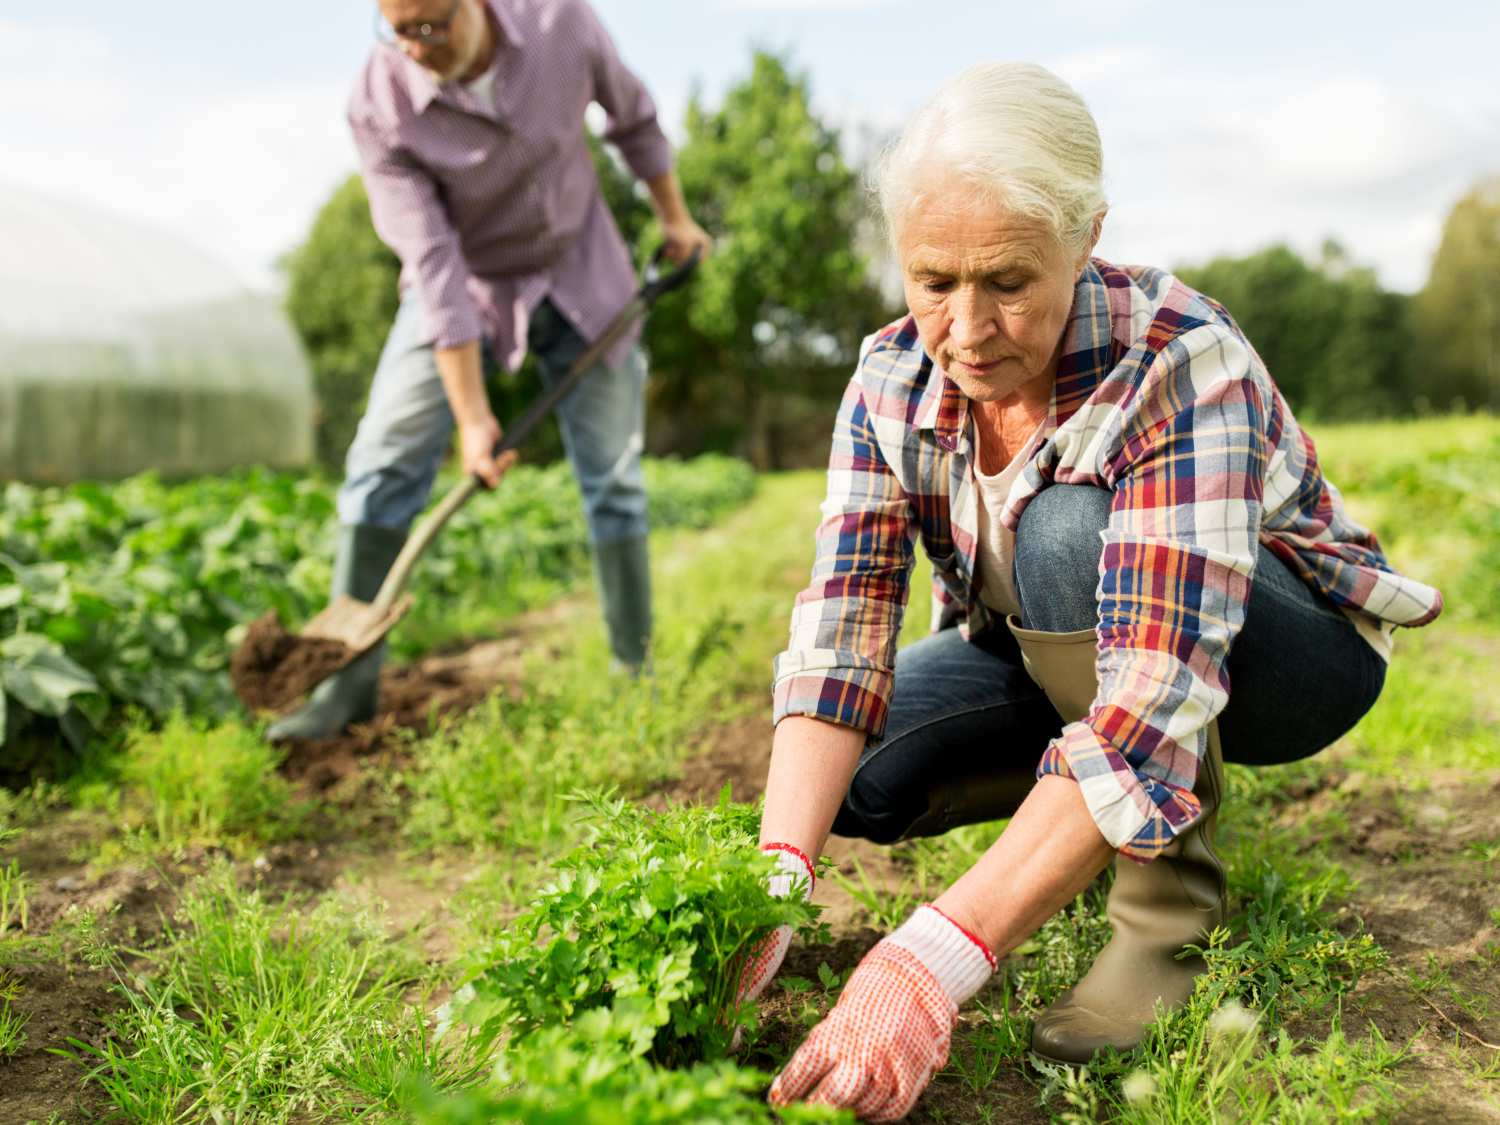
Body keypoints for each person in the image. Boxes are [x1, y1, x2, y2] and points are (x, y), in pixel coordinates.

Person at [740, 63, 1443, 1121]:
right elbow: (842, 636)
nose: (967, 331)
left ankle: (1166, 908)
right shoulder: (889, 378)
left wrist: (930, 957)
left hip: (1280, 654)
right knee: (865, 775)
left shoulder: (1177, 359)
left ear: (1086, 236)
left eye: (1009, 282)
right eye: (934, 281)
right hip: (1056, 647)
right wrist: (776, 878)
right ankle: (1075, 803)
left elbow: (1157, 684)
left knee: (1068, 530)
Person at [270, 0, 711, 741]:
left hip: (579, 265)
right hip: (464, 283)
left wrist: (673, 217)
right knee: (381, 459)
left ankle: (634, 676)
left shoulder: (560, 23)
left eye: (432, 24)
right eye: (398, 29)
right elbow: (433, 267)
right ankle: (343, 693)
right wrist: (473, 418)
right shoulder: (379, 100)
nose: (415, 47)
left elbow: (631, 117)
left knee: (613, 477)